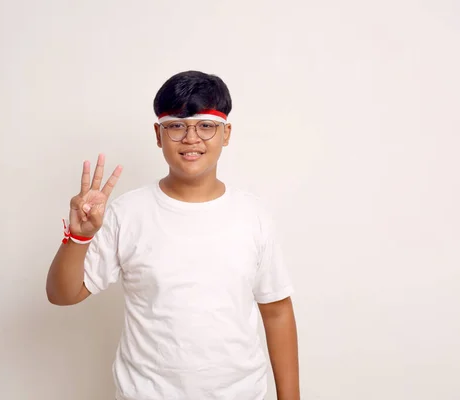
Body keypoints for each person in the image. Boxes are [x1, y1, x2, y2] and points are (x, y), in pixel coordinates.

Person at [46, 70, 300, 400]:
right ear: (158, 134)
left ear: (226, 133)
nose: (191, 138)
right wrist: (78, 238)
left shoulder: (253, 216)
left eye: (205, 125)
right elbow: (62, 294)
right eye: (177, 125)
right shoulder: (129, 213)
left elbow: (277, 311)